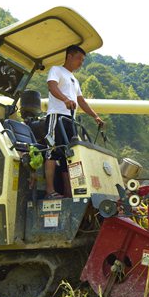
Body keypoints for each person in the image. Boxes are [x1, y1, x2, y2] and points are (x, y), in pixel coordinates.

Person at [44, 45, 104, 198]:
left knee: (70, 157)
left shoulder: (75, 80)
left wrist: (95, 116)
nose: (81, 63)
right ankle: (50, 190)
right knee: (52, 152)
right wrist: (65, 99)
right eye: (79, 59)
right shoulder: (56, 70)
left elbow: (81, 101)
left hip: (70, 120)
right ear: (69, 56)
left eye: (83, 61)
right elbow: (52, 86)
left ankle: (69, 193)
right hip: (56, 116)